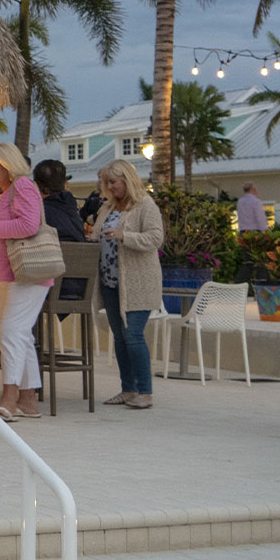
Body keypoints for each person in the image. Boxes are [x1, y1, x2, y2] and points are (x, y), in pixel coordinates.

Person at [0, 144, 49, 421]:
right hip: (8, 274)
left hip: (25, 272)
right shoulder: (3, 194)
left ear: (10, 163)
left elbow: (30, 225)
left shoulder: (22, 186)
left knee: (9, 331)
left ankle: (9, 397)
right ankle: (28, 400)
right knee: (19, 333)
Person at [92, 159, 164, 409]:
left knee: (133, 335)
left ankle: (144, 391)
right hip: (110, 282)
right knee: (120, 338)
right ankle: (128, 389)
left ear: (127, 180)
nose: (110, 187)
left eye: (114, 182)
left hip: (138, 282)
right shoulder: (108, 207)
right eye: (106, 183)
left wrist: (125, 236)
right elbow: (99, 235)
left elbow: (156, 237)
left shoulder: (145, 205)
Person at [33, 159, 86, 303]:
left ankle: (1, 325)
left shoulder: (41, 213)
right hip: (79, 286)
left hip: (53, 286)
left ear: (39, 187)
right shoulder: (72, 211)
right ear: (63, 184)